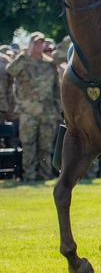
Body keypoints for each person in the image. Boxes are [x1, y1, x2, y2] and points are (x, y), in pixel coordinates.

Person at [7, 32, 60, 181]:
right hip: (28, 112)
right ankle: (29, 176)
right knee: (28, 145)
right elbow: (10, 71)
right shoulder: (23, 62)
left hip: (47, 112)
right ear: (30, 44)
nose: (39, 45)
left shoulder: (50, 65)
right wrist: (24, 54)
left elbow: (57, 90)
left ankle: (45, 175)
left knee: (45, 146)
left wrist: (59, 110)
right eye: (36, 43)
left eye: (41, 43)